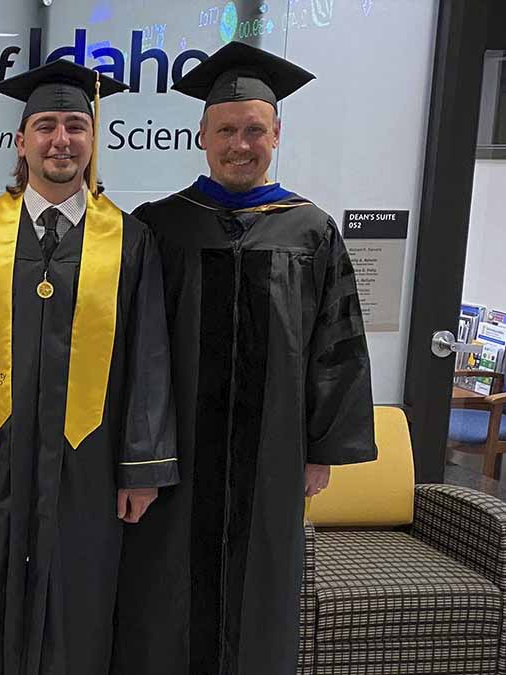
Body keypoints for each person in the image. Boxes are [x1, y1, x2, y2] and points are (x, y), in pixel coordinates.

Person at [113, 41, 377, 675]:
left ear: (276, 134)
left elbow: (334, 345)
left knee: (263, 589)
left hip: (273, 455)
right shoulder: (161, 227)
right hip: (178, 456)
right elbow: (131, 350)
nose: (240, 144)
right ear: (201, 134)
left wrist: (320, 449)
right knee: (165, 591)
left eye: (254, 131)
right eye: (226, 130)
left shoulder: (310, 231)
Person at [0, 59, 176, 675]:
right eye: (45, 126)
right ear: (21, 141)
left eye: (75, 125)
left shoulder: (131, 239)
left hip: (87, 461)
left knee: (79, 593)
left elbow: (150, 353)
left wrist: (141, 467)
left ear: (94, 139)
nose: (60, 139)